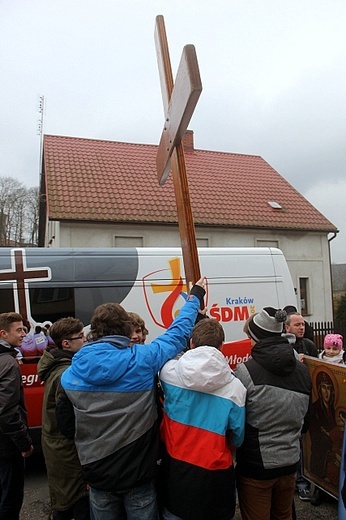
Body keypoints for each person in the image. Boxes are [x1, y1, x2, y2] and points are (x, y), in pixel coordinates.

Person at [60, 277, 206, 520]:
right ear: (127, 330)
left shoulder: (71, 373)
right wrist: (195, 297)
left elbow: (65, 424)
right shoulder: (143, 359)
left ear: (94, 330)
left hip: (97, 473)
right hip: (138, 471)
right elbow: (177, 333)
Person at [158, 318, 246, 520]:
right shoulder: (236, 388)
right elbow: (237, 437)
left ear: (191, 343)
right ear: (222, 346)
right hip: (216, 475)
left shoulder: (167, 373)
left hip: (177, 472)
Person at [234, 307, 311, 520]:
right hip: (290, 463)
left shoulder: (245, 372)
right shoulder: (302, 370)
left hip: (256, 467)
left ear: (257, 337)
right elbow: (306, 421)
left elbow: (237, 421)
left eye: (250, 336)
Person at [37, 317, 91, 520]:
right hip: (65, 449)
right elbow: (67, 419)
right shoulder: (65, 372)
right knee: (74, 500)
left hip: (56, 445)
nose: (85, 340)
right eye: (80, 337)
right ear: (66, 343)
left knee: (64, 499)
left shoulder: (57, 364)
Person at [0, 312, 34, 520]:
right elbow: (7, 411)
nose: (24, 334)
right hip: (6, 445)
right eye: (19, 330)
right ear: (3, 333)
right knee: (10, 499)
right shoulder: (8, 363)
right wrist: (24, 443)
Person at [284, 311, 318, 501]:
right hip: (293, 400)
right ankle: (298, 483)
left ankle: (308, 482)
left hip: (308, 397)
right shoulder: (284, 347)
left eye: (303, 324)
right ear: (287, 328)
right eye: (297, 325)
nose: (302, 328)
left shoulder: (309, 345)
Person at [309, 370, 336, 506]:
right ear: (319, 389)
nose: (327, 392)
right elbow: (314, 434)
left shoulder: (334, 410)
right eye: (324, 388)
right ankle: (319, 489)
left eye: (330, 389)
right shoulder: (315, 409)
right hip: (321, 451)